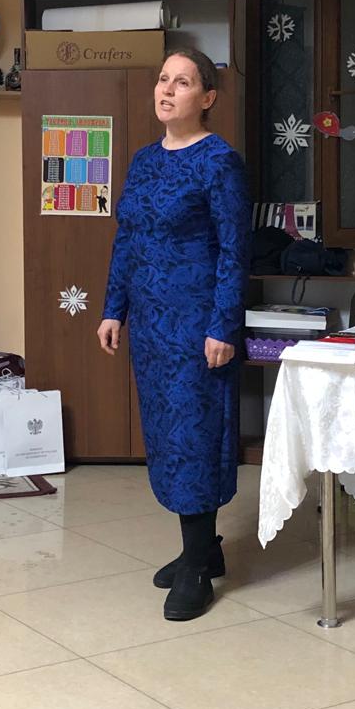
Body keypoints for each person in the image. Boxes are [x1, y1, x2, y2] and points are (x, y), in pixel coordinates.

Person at [97, 49, 250, 621]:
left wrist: (223, 325)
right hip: (151, 329)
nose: (166, 90)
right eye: (163, 79)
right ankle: (202, 549)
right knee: (166, 436)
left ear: (206, 98)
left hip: (198, 328)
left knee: (196, 437)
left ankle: (197, 568)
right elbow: (127, 239)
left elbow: (235, 250)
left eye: (181, 82)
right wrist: (113, 309)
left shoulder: (220, 162)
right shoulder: (142, 161)